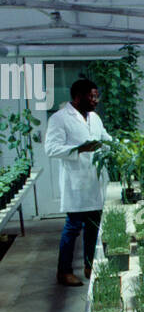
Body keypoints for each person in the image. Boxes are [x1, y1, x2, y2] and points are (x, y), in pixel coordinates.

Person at [44, 78, 112, 287]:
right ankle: (64, 272)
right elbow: (51, 149)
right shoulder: (60, 118)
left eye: (96, 95)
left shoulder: (94, 118)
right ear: (78, 96)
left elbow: (104, 138)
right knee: (73, 227)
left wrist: (118, 145)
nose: (95, 100)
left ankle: (90, 266)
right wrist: (79, 149)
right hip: (76, 182)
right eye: (91, 96)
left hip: (95, 182)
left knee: (93, 226)